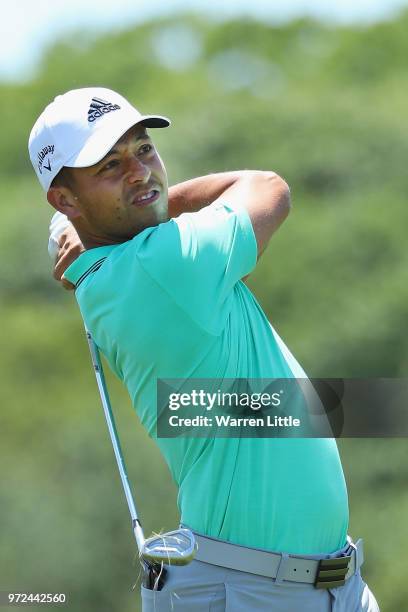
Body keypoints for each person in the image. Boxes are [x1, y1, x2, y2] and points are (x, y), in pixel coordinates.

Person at [29, 87, 379, 611]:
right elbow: (267, 187)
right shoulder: (163, 264)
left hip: (324, 585)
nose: (140, 172)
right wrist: (149, 205)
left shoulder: (117, 262)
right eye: (109, 166)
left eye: (143, 149)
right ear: (67, 198)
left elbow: (75, 224)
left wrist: (84, 222)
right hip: (249, 589)